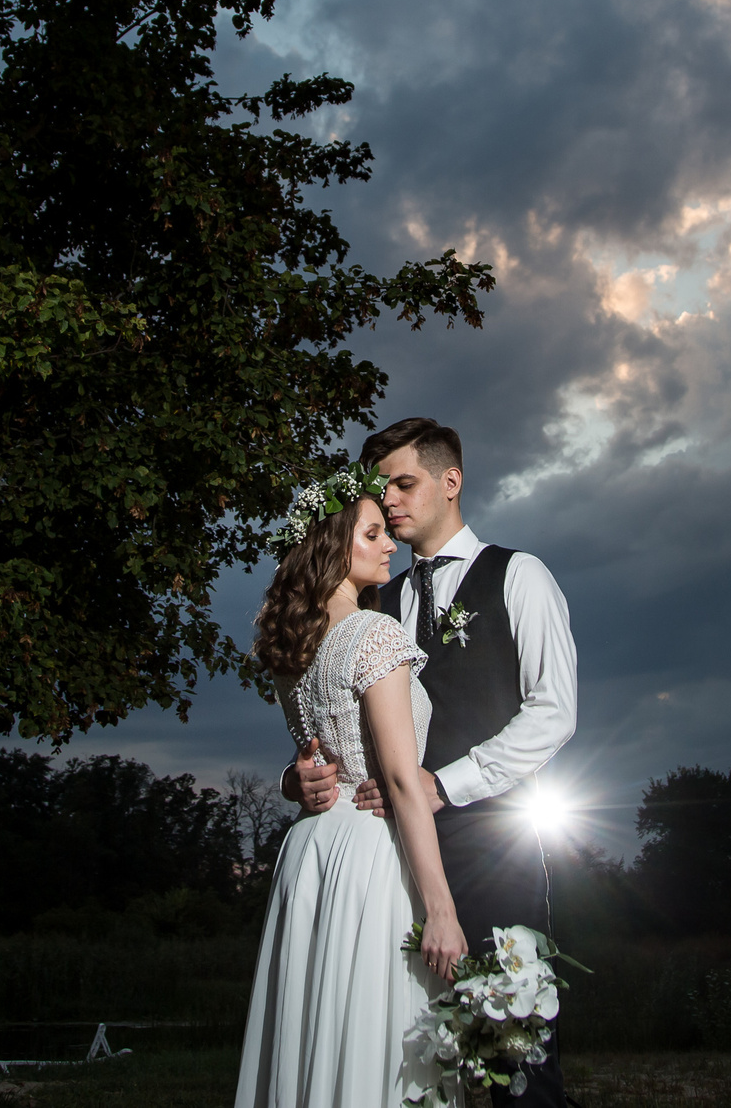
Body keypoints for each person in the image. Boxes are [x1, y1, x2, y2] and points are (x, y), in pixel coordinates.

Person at [285, 417, 577, 1106]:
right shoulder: (380, 595)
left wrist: (445, 782)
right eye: (380, 489)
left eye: (405, 483)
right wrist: (295, 775)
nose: (389, 502)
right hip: (393, 867)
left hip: (491, 853)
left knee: (517, 1060)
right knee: (416, 1067)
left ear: (452, 481)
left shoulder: (519, 574)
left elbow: (554, 710)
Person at [235, 463, 465, 1108]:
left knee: (317, 1029)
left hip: (310, 851)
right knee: (376, 1032)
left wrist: (292, 782)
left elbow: (309, 762)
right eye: (372, 534)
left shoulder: (295, 649)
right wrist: (441, 912)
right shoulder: (373, 633)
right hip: (368, 852)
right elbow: (397, 776)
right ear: (334, 546)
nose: (390, 542)